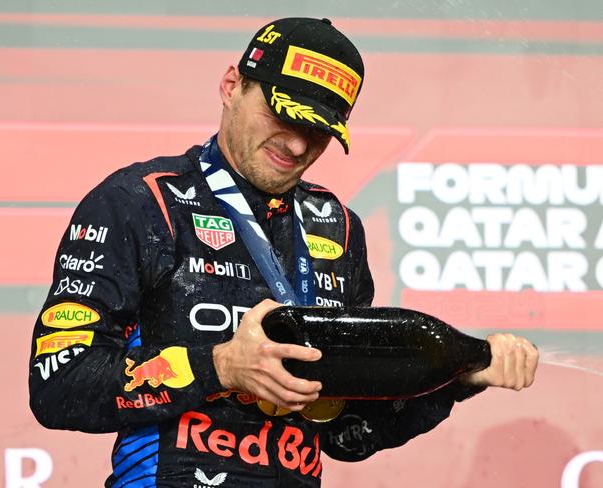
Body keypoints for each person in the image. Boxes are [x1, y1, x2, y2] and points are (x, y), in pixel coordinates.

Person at [29, 17, 539, 487]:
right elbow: (59, 383)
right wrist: (221, 367)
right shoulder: (139, 202)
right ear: (232, 86)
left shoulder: (336, 227)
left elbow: (348, 432)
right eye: (283, 115)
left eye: (318, 131)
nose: (297, 146)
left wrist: (456, 379)